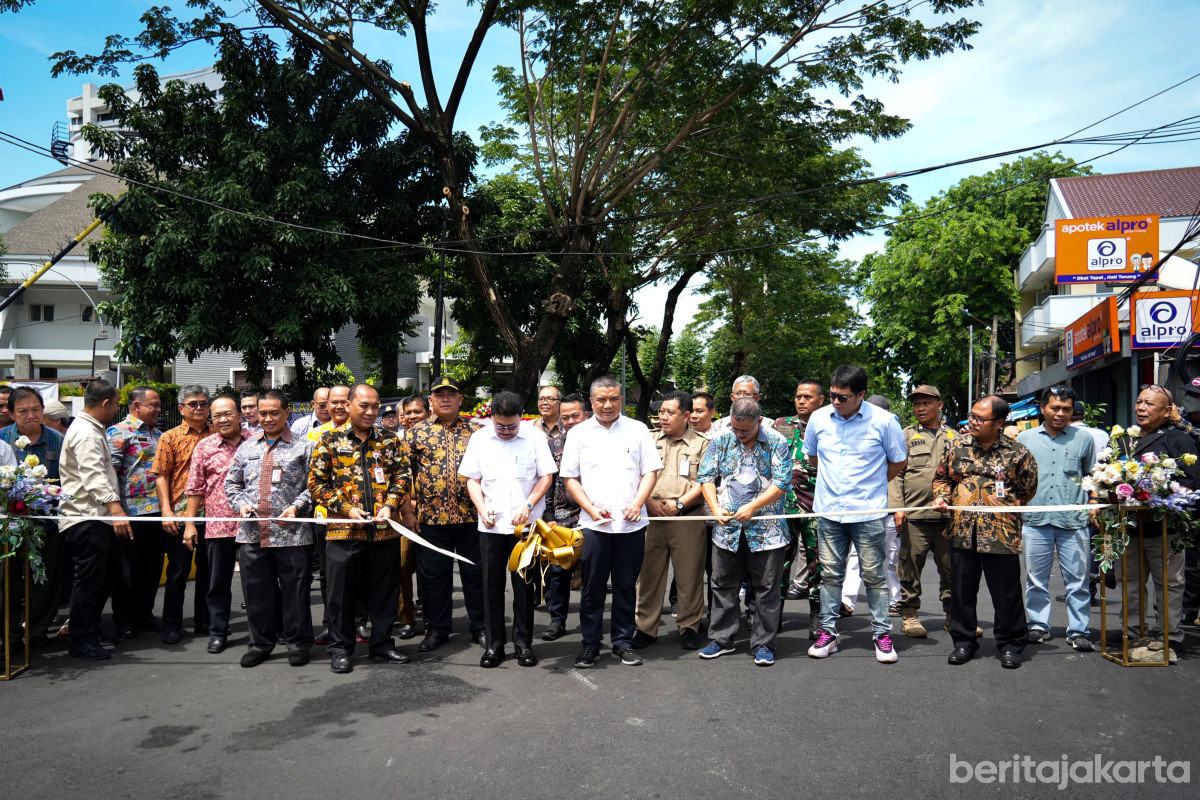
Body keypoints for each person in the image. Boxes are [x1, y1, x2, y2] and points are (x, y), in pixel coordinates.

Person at [804, 364, 906, 664]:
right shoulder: (819, 418)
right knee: (830, 576)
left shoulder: (885, 422)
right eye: (833, 395)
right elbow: (813, 457)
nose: (836, 402)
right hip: (829, 513)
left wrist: (871, 485)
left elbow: (898, 461)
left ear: (861, 395)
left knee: (875, 577)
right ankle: (828, 634)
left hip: (869, 512)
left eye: (843, 397)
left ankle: (882, 636)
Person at [561, 375, 663, 668]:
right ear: (591, 401)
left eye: (614, 399)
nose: (608, 405)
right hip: (594, 525)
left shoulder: (637, 430)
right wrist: (590, 509)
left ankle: (622, 642)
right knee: (592, 588)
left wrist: (637, 503)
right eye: (601, 399)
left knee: (625, 586)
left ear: (621, 399)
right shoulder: (579, 433)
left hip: (631, 524)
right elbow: (570, 477)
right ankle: (590, 644)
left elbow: (650, 472)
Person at [309, 384, 411, 673]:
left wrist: (390, 506)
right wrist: (346, 509)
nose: (370, 412)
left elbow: (402, 477)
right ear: (348, 406)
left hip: (383, 532)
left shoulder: (390, 441)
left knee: (384, 592)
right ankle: (340, 649)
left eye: (375, 406)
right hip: (344, 533)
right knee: (341, 595)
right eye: (364, 405)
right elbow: (316, 483)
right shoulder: (329, 440)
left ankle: (382, 645)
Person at [933, 395, 1038, 669]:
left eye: (980, 418)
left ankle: (1011, 645)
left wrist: (1007, 507)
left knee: (1006, 593)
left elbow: (1027, 488)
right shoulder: (955, 446)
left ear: (999, 422)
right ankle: (963, 642)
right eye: (972, 416)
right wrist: (942, 496)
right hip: (961, 530)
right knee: (962, 591)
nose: (972, 422)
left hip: (1001, 533)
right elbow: (942, 477)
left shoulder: (1018, 452)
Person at [459, 391, 556, 668]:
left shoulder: (535, 437)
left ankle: (523, 644)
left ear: (520, 417)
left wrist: (529, 504)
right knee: (491, 586)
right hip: (490, 526)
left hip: (525, 528)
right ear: (491, 418)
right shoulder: (479, 438)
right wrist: (480, 507)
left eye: (511, 426)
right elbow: (472, 480)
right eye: (500, 425)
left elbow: (546, 477)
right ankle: (494, 645)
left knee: (524, 586)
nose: (505, 431)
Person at [227, 389, 317, 668]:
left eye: (274, 412)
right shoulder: (247, 447)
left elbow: (314, 487)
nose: (267, 418)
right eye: (262, 412)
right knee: (256, 593)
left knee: (296, 593)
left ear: (287, 412)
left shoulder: (304, 447)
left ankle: (298, 643)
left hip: (292, 534)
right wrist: (240, 504)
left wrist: (298, 507)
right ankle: (260, 644)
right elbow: (232, 485)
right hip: (253, 533)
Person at [697, 398, 791, 666]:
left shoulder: (776, 442)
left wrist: (753, 507)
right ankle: (721, 639)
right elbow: (705, 477)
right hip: (726, 530)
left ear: (759, 422)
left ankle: (763, 644)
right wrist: (714, 508)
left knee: (766, 589)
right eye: (736, 429)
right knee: (722, 585)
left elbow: (783, 483)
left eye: (745, 431)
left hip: (767, 530)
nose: (739, 435)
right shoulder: (721, 440)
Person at [1110, 385, 1200, 644]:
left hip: (1165, 529)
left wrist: (1161, 505)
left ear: (1167, 410)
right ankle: (1133, 630)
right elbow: (1106, 476)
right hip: (1128, 527)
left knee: (1170, 585)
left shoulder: (1179, 439)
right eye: (1139, 402)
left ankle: (1170, 634)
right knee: (1130, 583)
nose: (1141, 408)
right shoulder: (1124, 439)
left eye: (1149, 404)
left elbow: (1193, 482)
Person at [407, 376, 485, 652]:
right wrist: (408, 511)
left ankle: (481, 627)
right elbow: (405, 476)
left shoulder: (478, 431)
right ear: (431, 400)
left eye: (451, 394)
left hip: (472, 519)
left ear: (461, 399)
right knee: (433, 579)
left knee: (476, 575)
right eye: (439, 395)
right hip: (431, 520)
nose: (445, 398)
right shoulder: (416, 433)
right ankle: (437, 628)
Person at [1016, 385, 1097, 652]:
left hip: (1073, 521)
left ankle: (1079, 631)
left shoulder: (1083, 439)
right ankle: (1038, 625)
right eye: (1055, 408)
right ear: (1043, 409)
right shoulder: (1025, 438)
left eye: (1067, 409)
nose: (1060, 413)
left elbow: (1091, 476)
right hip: (1034, 519)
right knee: (1035, 579)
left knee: (1078, 580)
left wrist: (1094, 502)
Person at [631, 391, 709, 651]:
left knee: (689, 576)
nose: (663, 417)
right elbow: (636, 475)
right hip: (650, 516)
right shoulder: (648, 440)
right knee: (648, 575)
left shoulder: (703, 443)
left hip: (686, 517)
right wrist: (649, 502)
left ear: (686, 416)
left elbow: (705, 482)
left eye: (670, 412)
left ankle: (689, 626)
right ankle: (645, 627)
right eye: (661, 412)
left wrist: (678, 504)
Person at [58, 379, 130, 660]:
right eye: (115, 405)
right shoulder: (87, 433)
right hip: (88, 518)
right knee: (88, 581)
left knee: (106, 577)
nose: (115, 411)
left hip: (96, 518)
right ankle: (81, 638)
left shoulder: (89, 428)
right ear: (105, 403)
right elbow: (93, 476)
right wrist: (115, 509)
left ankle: (89, 627)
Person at [888, 385, 955, 639]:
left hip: (947, 517)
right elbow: (896, 474)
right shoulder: (904, 435)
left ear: (939, 405)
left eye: (926, 403)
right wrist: (898, 509)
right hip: (914, 516)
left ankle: (952, 615)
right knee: (909, 567)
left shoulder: (955, 436)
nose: (920, 408)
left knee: (951, 569)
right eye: (917, 404)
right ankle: (910, 615)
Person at [0, 387, 64, 648]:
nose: (30, 415)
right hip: (10, 526)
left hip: (47, 523)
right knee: (9, 580)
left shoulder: (59, 440)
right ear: (11, 413)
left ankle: (37, 631)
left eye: (36, 409)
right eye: (23, 411)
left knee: (46, 580)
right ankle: (11, 634)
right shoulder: (3, 441)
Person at [151, 384, 214, 644]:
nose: (198, 408)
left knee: (208, 570)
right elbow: (161, 475)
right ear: (181, 408)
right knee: (177, 571)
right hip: (179, 513)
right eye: (192, 404)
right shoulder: (170, 437)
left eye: (203, 403)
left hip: (214, 514)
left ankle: (205, 621)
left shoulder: (218, 434)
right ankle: (172, 624)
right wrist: (166, 511)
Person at [183, 395, 245, 655]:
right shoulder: (205, 447)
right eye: (217, 415)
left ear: (240, 415)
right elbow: (194, 488)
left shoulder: (255, 442)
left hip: (252, 526)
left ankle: (266, 630)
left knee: (259, 583)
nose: (222, 419)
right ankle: (217, 632)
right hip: (218, 526)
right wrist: (190, 524)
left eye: (228, 413)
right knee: (217, 583)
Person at [107, 386, 165, 635]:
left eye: (159, 404)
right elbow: (110, 473)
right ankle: (124, 620)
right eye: (153, 404)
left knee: (151, 568)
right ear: (136, 406)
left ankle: (144, 614)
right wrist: (116, 510)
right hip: (130, 513)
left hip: (158, 512)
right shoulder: (119, 433)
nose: (159, 409)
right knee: (126, 570)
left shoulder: (159, 435)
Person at [539, 393, 589, 641]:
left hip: (593, 519)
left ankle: (590, 623)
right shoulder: (554, 446)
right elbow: (548, 483)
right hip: (561, 519)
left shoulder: (599, 444)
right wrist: (548, 515)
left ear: (586, 415)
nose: (570, 421)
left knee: (591, 574)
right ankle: (557, 621)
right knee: (559, 574)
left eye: (575, 416)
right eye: (566, 417)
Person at [778, 380, 825, 638]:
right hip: (783, 505)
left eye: (807, 396)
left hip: (815, 505)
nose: (801, 400)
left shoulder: (830, 425)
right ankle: (774, 614)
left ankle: (817, 617)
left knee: (818, 562)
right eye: (798, 396)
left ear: (820, 399)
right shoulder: (780, 425)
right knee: (779, 562)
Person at [395, 394, 431, 639]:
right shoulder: (394, 442)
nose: (412, 417)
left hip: (432, 513)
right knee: (402, 566)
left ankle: (432, 617)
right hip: (402, 513)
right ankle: (406, 618)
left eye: (418, 412)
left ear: (428, 413)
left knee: (431, 569)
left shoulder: (435, 437)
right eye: (408, 413)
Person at [710, 376, 776, 434]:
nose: (742, 397)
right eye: (738, 393)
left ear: (757, 398)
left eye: (747, 394)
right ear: (732, 397)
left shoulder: (769, 425)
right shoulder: (718, 425)